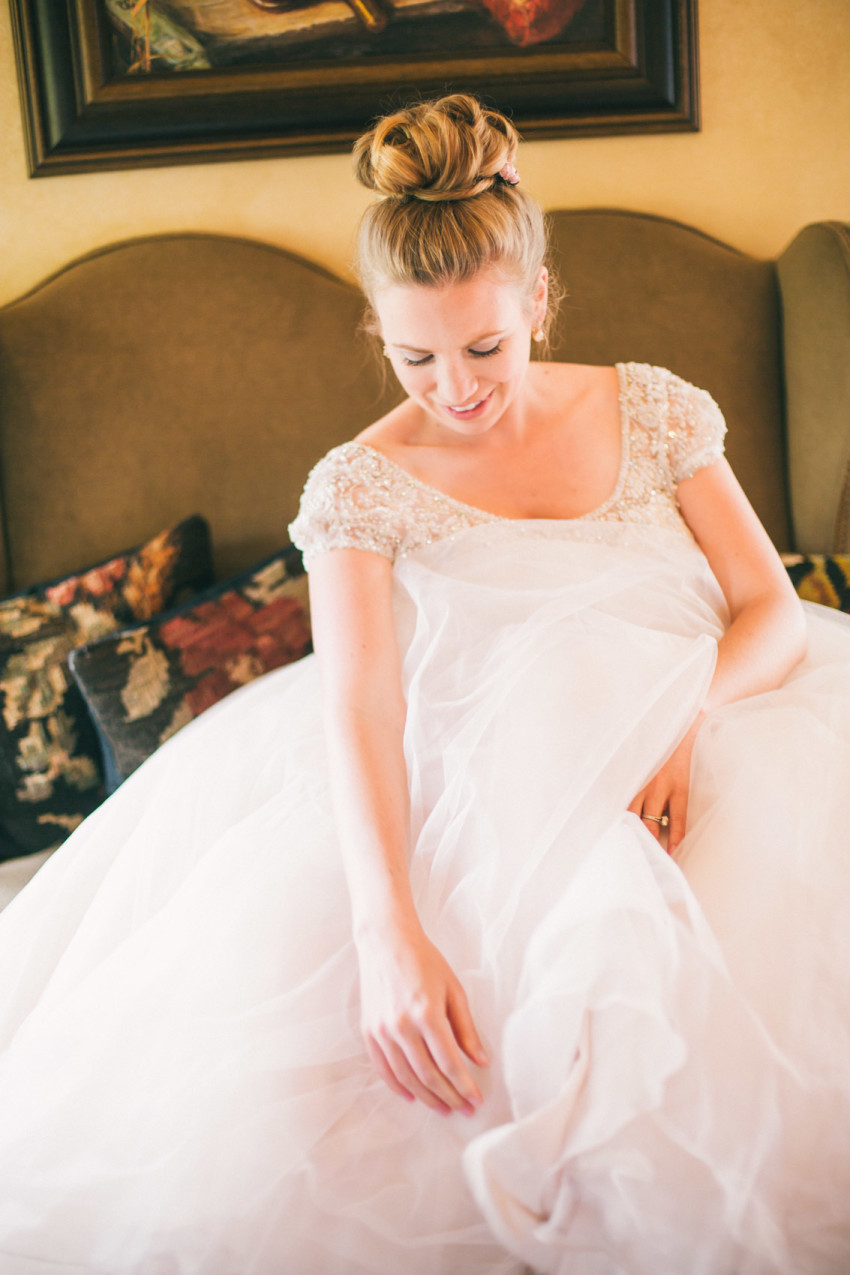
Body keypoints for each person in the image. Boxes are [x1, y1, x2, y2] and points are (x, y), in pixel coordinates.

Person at [0, 93, 848, 1275]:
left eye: (485, 347)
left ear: (537, 299)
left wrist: (686, 725)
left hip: (713, 732)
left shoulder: (654, 409)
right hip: (481, 781)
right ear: (378, 335)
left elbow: (769, 610)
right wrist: (387, 931)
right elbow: (360, 707)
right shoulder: (360, 487)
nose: (455, 387)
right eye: (415, 356)